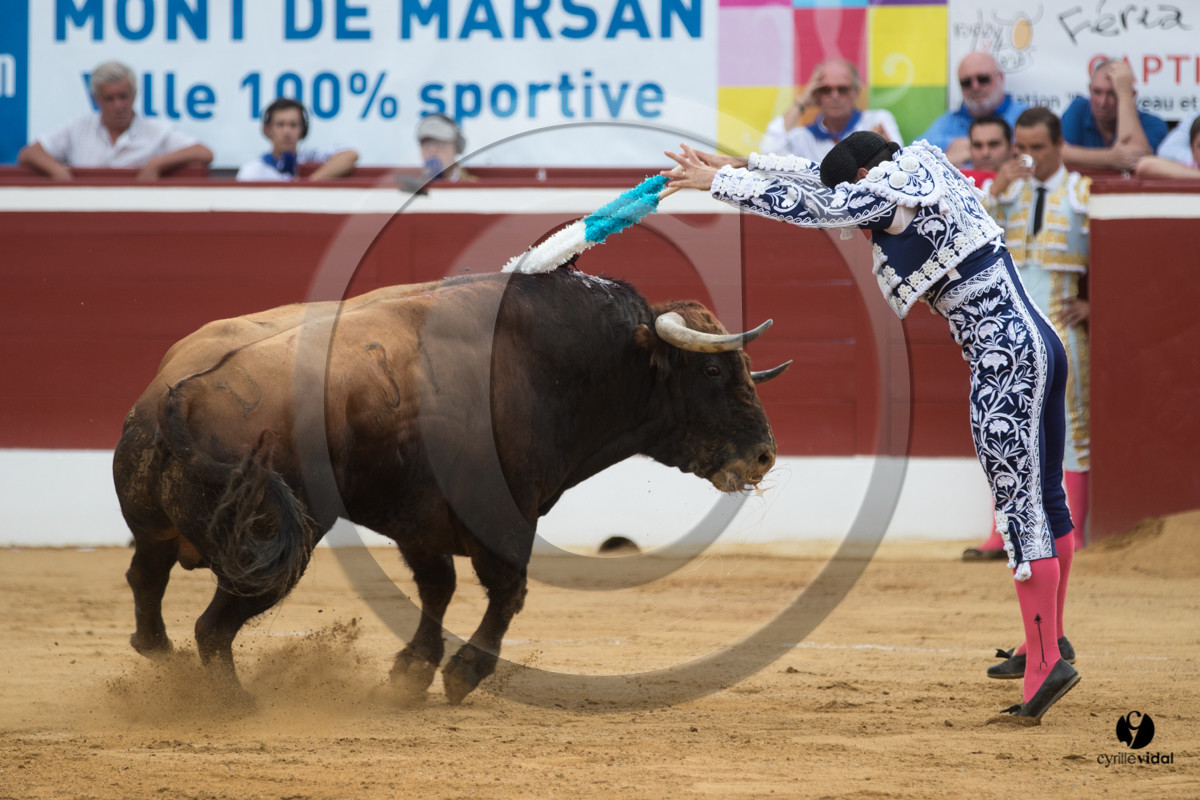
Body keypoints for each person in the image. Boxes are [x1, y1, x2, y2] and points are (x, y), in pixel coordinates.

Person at [662, 131, 1080, 720]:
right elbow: (816, 177)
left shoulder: (884, 187)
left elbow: (819, 203)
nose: (857, 226)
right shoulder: (916, 165)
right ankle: (1048, 638)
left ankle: (1044, 665)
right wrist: (742, 161)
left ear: (863, 176)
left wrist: (720, 184)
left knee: (1019, 507)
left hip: (1003, 354)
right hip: (1040, 343)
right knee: (1045, 496)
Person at [978, 107, 1089, 679]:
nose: (1026, 157)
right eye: (1018, 146)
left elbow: (1111, 260)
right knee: (1024, 464)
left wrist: (1096, 303)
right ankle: (1045, 638)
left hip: (1060, 332)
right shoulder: (1004, 194)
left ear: (1059, 144)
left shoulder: (1082, 192)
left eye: (1036, 147)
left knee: (1055, 458)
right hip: (1017, 333)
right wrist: (996, 191)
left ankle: (1046, 639)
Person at [17, 60, 213, 180]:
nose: (118, 105)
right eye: (109, 99)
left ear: (134, 95)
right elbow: (29, 154)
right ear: (96, 99)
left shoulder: (155, 130)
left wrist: (158, 163)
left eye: (123, 96)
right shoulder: (78, 128)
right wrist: (57, 171)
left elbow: (204, 153)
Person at [759, 59, 903, 161]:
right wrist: (801, 102)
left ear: (856, 92)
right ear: (816, 93)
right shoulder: (802, 137)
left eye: (843, 89)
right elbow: (768, 152)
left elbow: (900, 165)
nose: (835, 96)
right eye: (826, 90)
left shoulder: (877, 120)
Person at [917, 52, 1026, 167]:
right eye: (966, 82)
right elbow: (912, 158)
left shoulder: (1025, 117)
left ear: (1001, 77)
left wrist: (958, 151)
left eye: (983, 79)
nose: (975, 87)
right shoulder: (948, 122)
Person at [1061, 60, 1167, 173]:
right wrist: (1109, 158)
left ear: (1132, 95)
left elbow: (1134, 162)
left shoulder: (1154, 124)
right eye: (1097, 92)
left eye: (1113, 94)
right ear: (1089, 90)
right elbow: (1057, 153)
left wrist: (1125, 95)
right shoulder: (1079, 109)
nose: (1103, 102)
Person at [236, 98, 358, 181]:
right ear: (267, 130)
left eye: (293, 125)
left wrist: (307, 185)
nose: (287, 131)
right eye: (280, 124)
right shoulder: (252, 171)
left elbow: (349, 155)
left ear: (303, 130)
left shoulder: (308, 157)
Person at [960, 115, 1015, 189]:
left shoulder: (1026, 184)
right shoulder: (957, 184)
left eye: (994, 145)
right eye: (978, 146)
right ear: (970, 149)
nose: (985, 153)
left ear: (1011, 148)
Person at [416, 113, 470, 182]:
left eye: (439, 144)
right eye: (426, 145)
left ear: (457, 147)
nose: (432, 151)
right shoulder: (407, 190)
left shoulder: (477, 190)